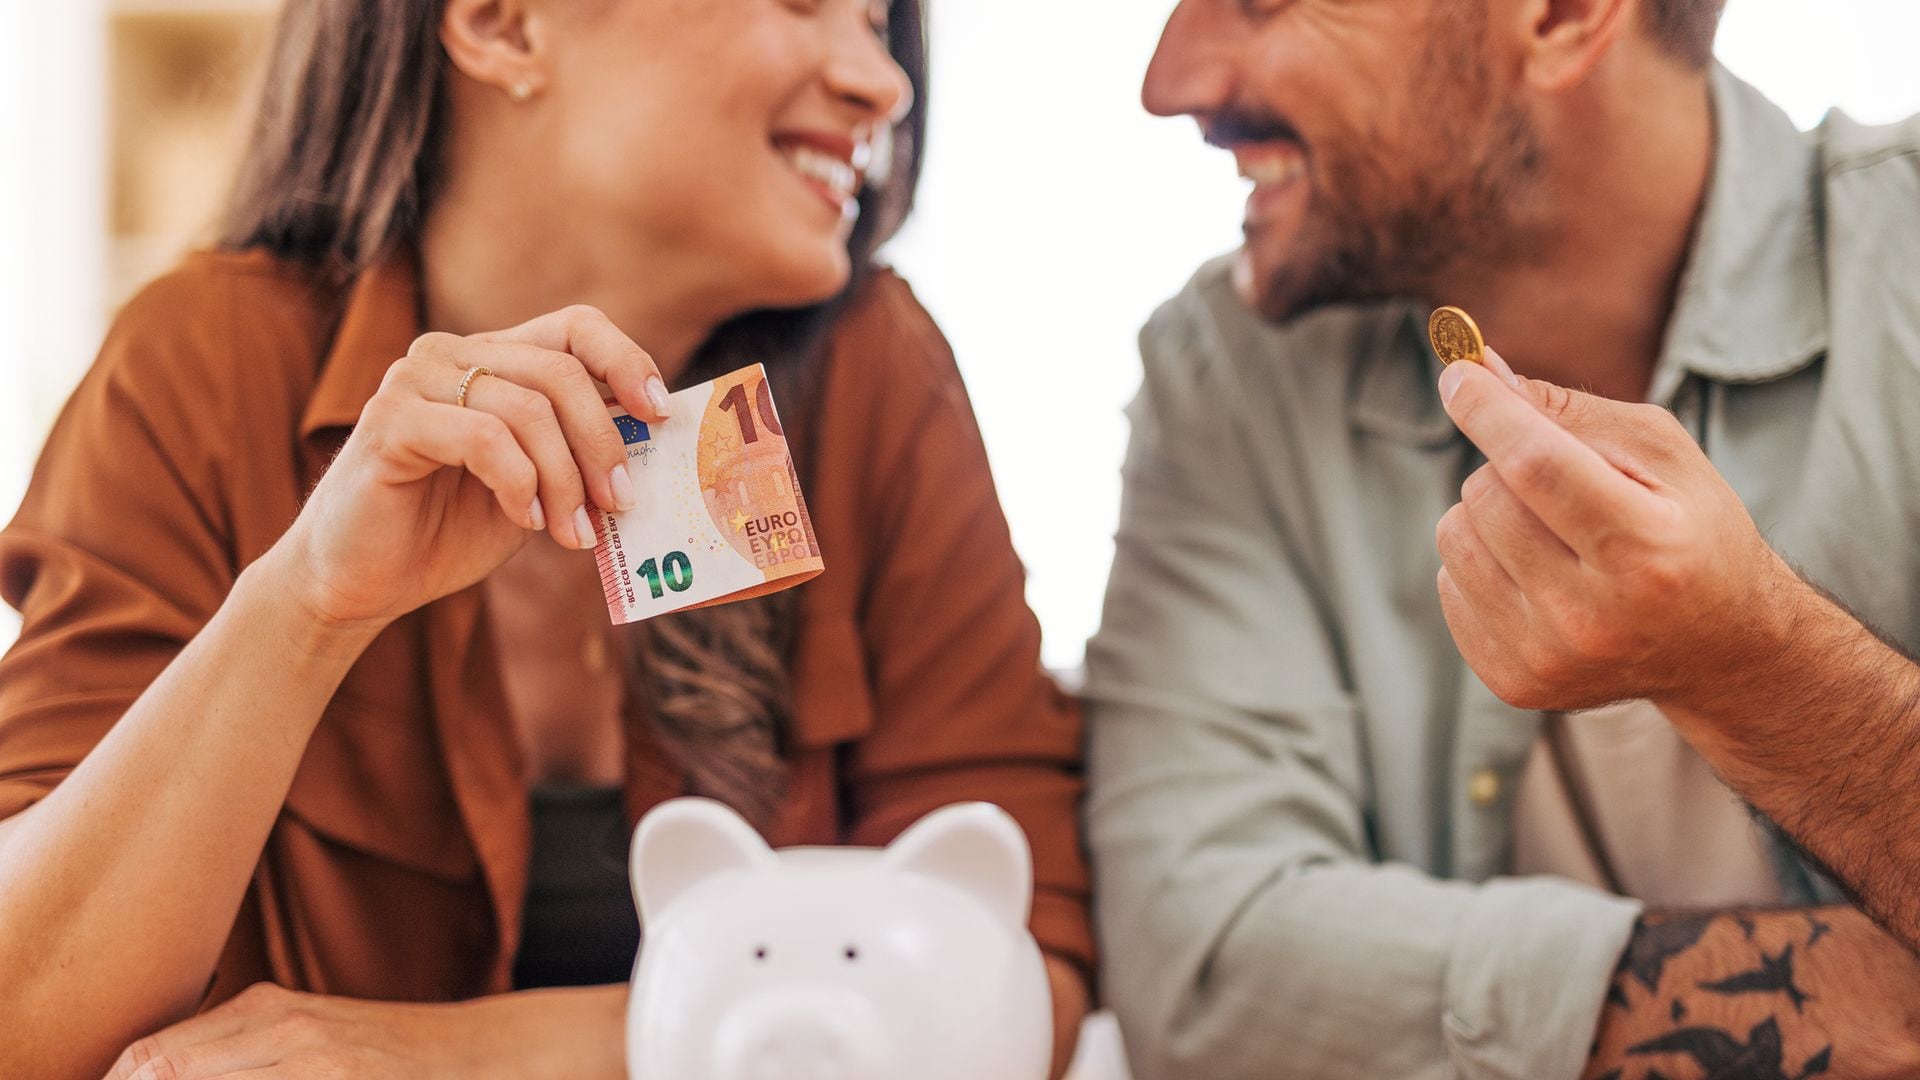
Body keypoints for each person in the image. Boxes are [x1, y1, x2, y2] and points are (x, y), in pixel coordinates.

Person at [0, 1, 1092, 1076]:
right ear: (504, 26)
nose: (882, 80)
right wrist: (307, 605)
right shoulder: (202, 366)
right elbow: (23, 1021)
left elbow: (1023, 976)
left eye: (876, 19)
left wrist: (459, 1059)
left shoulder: (877, 376)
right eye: (805, 2)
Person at [1084, 0, 1920, 1075]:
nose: (1171, 82)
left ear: (1563, 15)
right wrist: (1878, 1002)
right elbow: (1204, 975)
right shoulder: (1226, 373)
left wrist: (1759, 666)